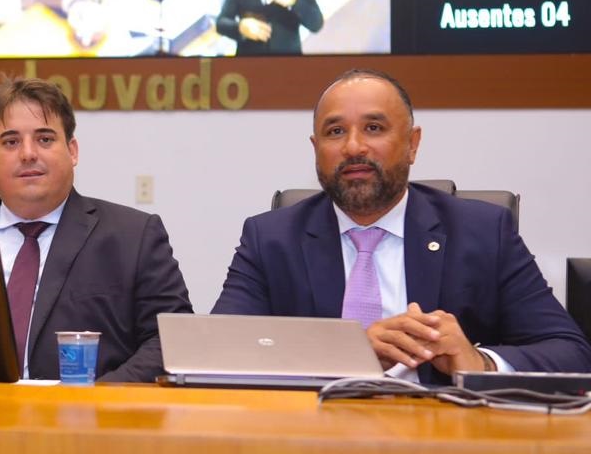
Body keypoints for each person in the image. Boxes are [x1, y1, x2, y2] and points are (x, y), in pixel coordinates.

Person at [212, 69, 591, 383]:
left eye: (374, 128)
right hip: (313, 444)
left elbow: (569, 351)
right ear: (316, 148)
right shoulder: (271, 238)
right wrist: (350, 352)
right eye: (335, 132)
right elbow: (219, 352)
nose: (354, 147)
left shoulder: (483, 232)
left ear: (412, 144)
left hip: (445, 442)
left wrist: (479, 363)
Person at [0, 77, 192, 382]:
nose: (27, 154)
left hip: (90, 421)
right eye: (11, 141)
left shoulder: (133, 237)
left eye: (45, 139)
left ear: (72, 151)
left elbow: (171, 340)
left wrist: (93, 400)